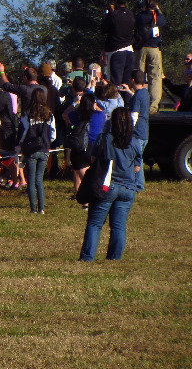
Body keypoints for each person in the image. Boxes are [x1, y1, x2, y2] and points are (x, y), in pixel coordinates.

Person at [79, 107, 143, 261]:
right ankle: (114, 258)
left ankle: (88, 257)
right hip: (128, 187)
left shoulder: (104, 138)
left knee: (95, 224)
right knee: (118, 226)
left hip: (107, 185)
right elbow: (137, 167)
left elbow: (93, 160)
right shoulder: (135, 141)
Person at [63, 87, 107, 201]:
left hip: (80, 146)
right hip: (95, 146)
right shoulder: (99, 115)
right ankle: (85, 196)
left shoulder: (76, 115)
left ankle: (82, 195)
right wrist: (95, 104)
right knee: (91, 174)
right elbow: (104, 114)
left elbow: (65, 115)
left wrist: (75, 102)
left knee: (80, 173)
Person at [18, 89, 56, 214]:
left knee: (31, 179)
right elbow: (53, 134)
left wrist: (19, 145)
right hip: (44, 149)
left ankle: (33, 208)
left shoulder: (28, 114)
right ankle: (42, 208)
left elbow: (23, 133)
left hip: (31, 149)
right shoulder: (49, 114)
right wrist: (47, 142)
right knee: (39, 179)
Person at [134, 0, 166, 113]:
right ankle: (153, 106)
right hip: (155, 49)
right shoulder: (159, 17)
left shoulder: (140, 16)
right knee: (155, 78)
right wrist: (157, 9)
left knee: (138, 76)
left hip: (141, 48)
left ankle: (137, 101)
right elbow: (163, 21)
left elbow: (136, 23)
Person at [102, 0, 135, 87]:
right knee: (126, 83)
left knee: (115, 83)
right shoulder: (130, 15)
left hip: (116, 51)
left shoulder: (113, 15)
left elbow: (103, 29)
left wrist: (109, 14)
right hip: (129, 50)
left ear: (115, 1)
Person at [128, 69, 149, 191]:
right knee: (138, 158)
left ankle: (138, 184)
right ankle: (138, 184)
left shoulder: (137, 95)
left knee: (136, 160)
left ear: (132, 80)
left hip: (137, 133)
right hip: (144, 131)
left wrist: (129, 130)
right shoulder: (145, 93)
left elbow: (134, 115)